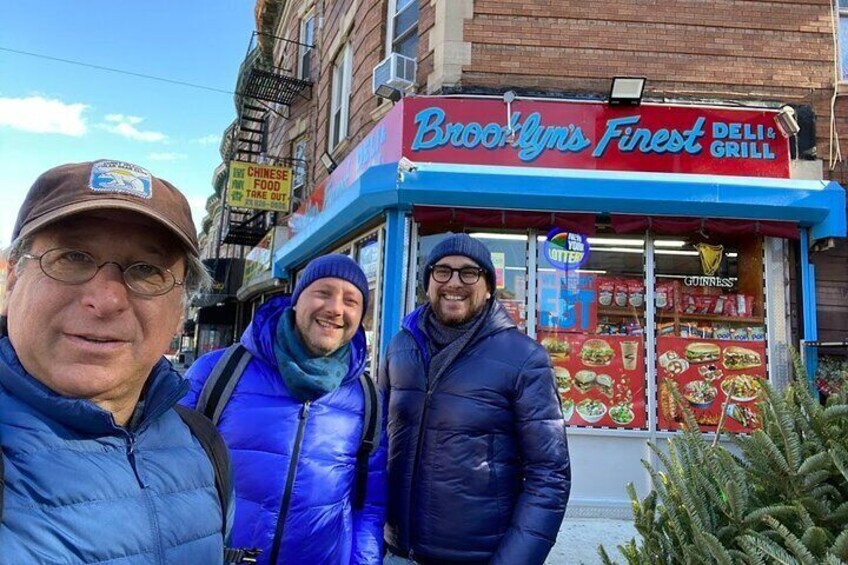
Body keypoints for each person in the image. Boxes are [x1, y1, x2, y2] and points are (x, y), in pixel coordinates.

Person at [0, 160, 232, 562]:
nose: (106, 300)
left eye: (146, 270)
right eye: (72, 257)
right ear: (11, 280)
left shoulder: (203, 446)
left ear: (179, 312)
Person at [181, 253, 388, 565]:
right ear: (296, 299)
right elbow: (167, 476)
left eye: (351, 301)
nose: (335, 309)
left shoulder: (366, 397)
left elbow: (368, 505)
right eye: (323, 293)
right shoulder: (217, 372)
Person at [380, 233, 571, 565]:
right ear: (428, 284)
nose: (454, 281)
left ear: (488, 288)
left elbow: (549, 475)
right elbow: (377, 445)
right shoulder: (400, 347)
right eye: (442, 271)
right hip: (395, 552)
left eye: (470, 272)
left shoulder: (524, 358)